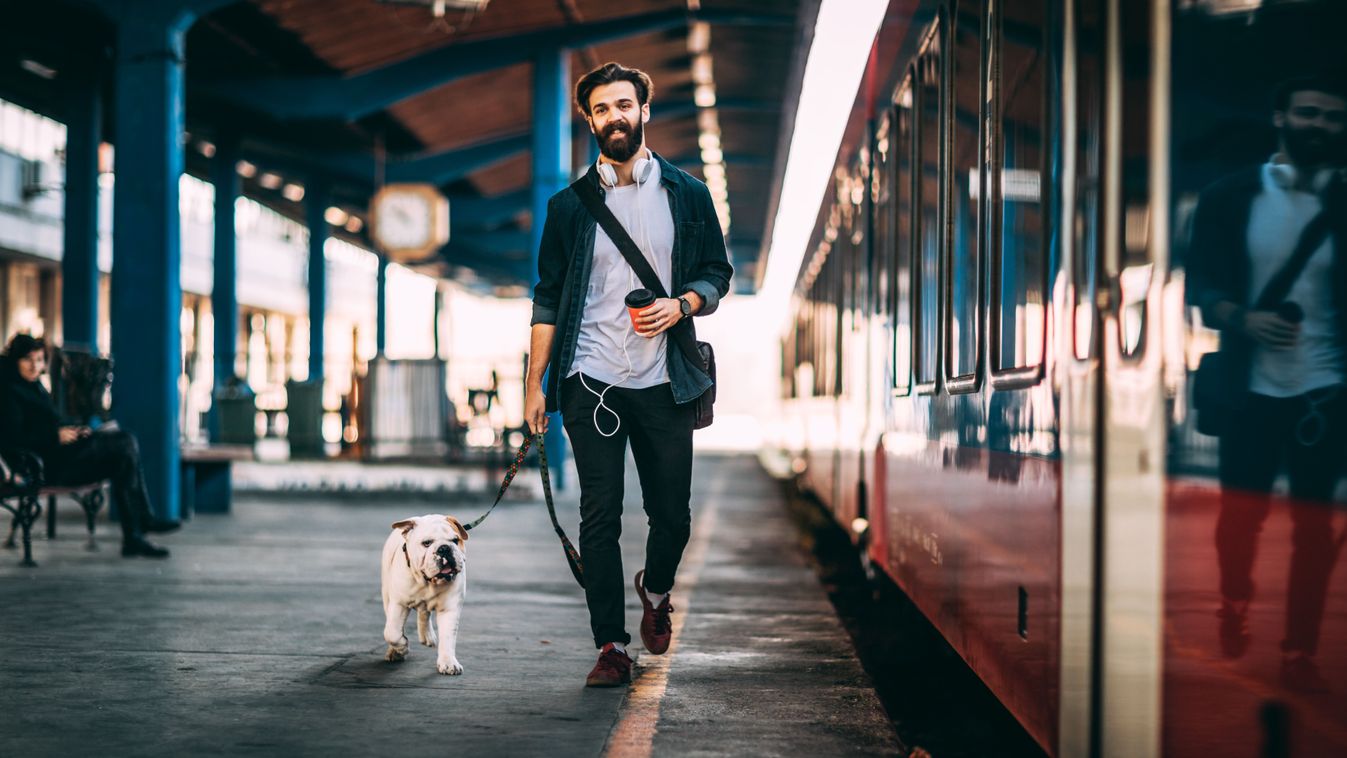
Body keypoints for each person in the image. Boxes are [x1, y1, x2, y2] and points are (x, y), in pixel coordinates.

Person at [524, 62, 732, 687]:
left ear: (645, 111)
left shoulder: (688, 194)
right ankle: (610, 645)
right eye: (601, 109)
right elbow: (548, 296)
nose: (613, 116)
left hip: (666, 379)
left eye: (624, 105)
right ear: (588, 120)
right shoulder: (569, 207)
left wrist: (683, 304)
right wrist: (535, 385)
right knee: (600, 515)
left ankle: (657, 588)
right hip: (590, 379)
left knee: (673, 515)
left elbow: (718, 273)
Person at [1187, 75, 1347, 693]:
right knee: (1240, 517)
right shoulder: (1231, 197)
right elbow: (1200, 284)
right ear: (1281, 117)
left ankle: (1298, 650)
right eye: (1309, 113)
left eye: (1333, 118)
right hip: (1249, 389)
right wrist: (1242, 318)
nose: (1320, 126)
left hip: (1326, 391)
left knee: (1315, 528)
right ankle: (1234, 602)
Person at [0, 333, 178, 558]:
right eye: (28, 359)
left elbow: (50, 422)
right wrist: (55, 437)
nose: (35, 366)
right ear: (15, 360)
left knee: (122, 457)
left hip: (58, 456)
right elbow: (13, 438)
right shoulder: (8, 392)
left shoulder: (34, 386)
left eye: (39, 359)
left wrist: (73, 430)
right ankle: (142, 522)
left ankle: (134, 537)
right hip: (41, 467)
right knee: (125, 442)